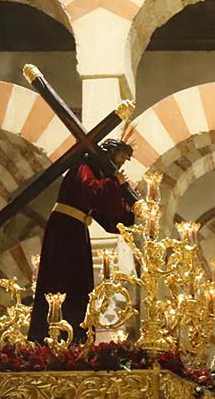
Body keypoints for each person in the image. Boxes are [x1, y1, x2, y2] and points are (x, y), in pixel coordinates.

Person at [28, 139, 137, 344]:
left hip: (76, 230)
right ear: (109, 154)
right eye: (120, 158)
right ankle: (55, 335)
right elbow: (92, 191)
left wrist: (128, 213)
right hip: (64, 231)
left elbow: (107, 217)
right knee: (63, 281)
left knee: (78, 285)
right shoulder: (83, 166)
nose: (120, 165)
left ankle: (76, 336)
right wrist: (117, 183)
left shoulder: (97, 174)